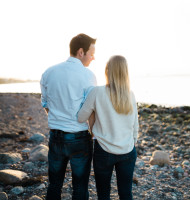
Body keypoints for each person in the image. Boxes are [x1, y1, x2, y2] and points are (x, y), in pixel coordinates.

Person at [40, 33, 97, 200]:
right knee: (80, 188)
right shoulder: (88, 76)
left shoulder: (49, 72)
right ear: (81, 52)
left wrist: (60, 119)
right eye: (91, 53)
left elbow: (46, 104)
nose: (93, 58)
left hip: (56, 136)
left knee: (54, 185)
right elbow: (91, 109)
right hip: (79, 137)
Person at [78, 55, 139, 200]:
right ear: (125, 72)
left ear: (107, 71)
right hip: (127, 151)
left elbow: (81, 117)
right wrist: (130, 143)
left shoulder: (96, 92)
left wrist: (94, 112)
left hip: (103, 150)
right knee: (126, 194)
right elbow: (135, 126)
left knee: (103, 194)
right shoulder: (130, 95)